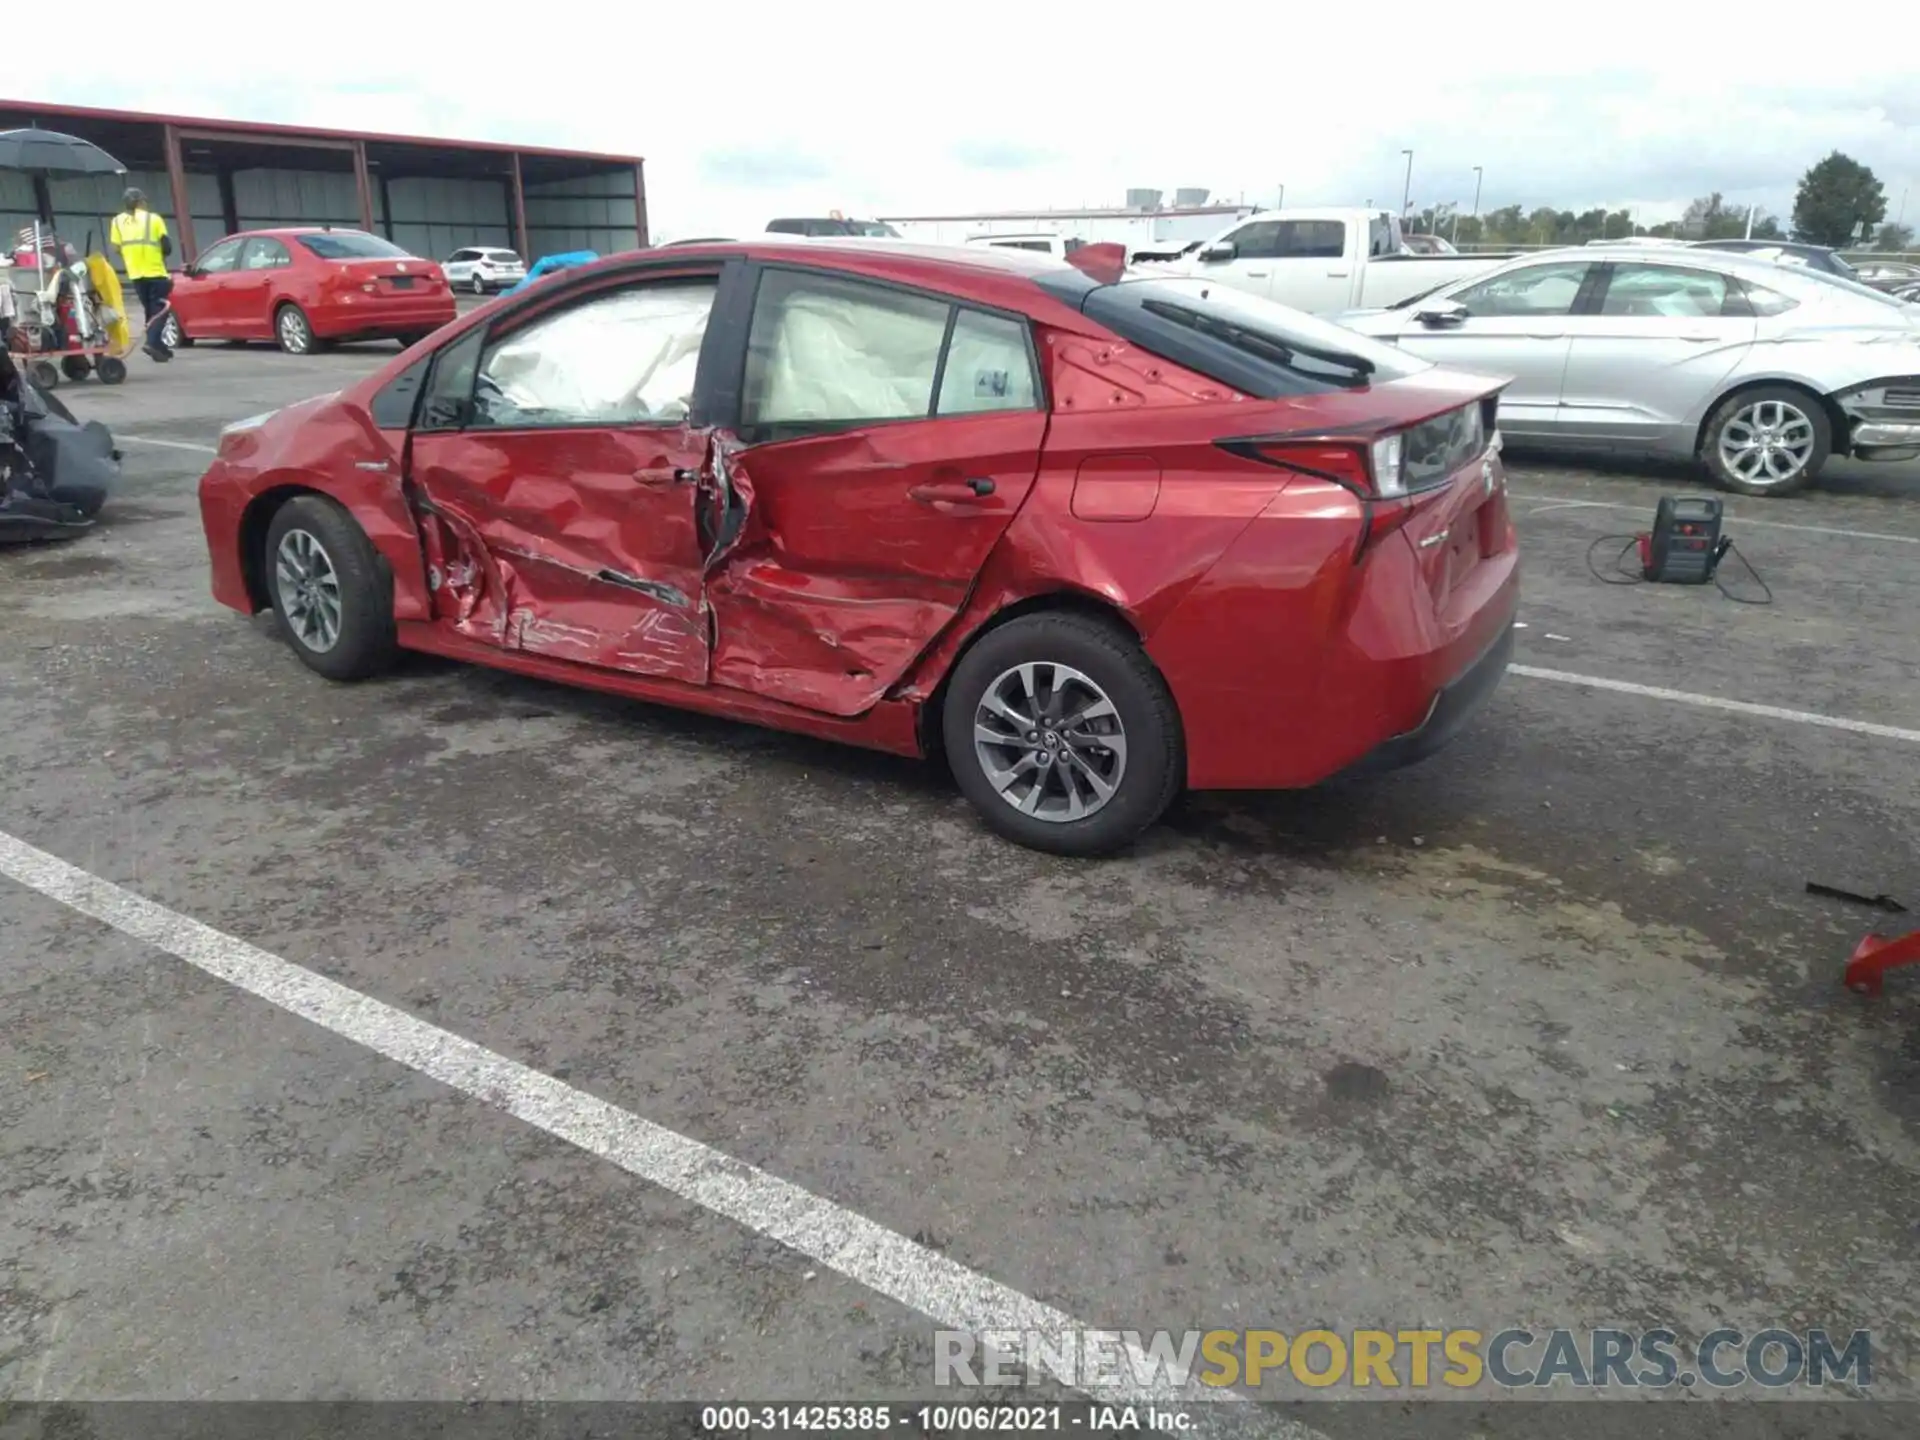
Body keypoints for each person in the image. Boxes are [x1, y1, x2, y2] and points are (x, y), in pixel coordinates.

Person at [109, 189, 173, 363]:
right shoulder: (154, 219)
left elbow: (116, 248)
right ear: (141, 202)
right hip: (156, 272)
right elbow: (167, 247)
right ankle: (152, 342)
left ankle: (159, 347)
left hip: (136, 274)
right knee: (160, 310)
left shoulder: (117, 222)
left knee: (150, 309)